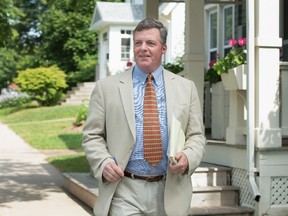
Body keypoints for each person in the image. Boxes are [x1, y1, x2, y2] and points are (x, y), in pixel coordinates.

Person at [82, 17, 206, 216]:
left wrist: (188, 157)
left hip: (169, 190)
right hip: (124, 189)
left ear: (163, 49)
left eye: (150, 43)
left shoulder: (186, 88)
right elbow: (92, 136)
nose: (143, 48)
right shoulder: (107, 88)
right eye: (138, 42)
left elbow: (196, 135)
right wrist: (104, 162)